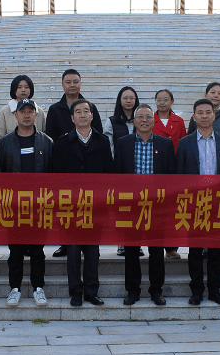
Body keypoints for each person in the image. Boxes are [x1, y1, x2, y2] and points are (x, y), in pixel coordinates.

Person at [52, 99, 113, 306]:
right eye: (78, 111)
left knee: (92, 251)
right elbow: (57, 177)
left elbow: (109, 173)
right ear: (72, 118)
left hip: (95, 206)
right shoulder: (61, 143)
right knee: (73, 251)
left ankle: (91, 291)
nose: (82, 114)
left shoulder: (103, 141)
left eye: (86, 111)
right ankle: (76, 292)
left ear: (92, 115)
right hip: (71, 206)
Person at [114, 104, 175, 306]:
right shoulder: (123, 144)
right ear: (134, 121)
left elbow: (171, 176)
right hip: (131, 205)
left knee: (156, 250)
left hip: (157, 205)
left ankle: (156, 291)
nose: (144, 120)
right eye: (140, 117)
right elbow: (118, 174)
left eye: (148, 116)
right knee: (131, 250)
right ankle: (133, 291)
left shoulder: (165, 145)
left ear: (154, 120)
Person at [175, 99, 220, 306]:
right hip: (194, 203)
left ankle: (215, 290)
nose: (205, 116)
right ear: (194, 117)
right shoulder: (185, 143)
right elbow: (179, 175)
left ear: (214, 115)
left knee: (216, 250)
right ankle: (197, 290)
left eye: (208, 112)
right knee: (195, 250)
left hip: (218, 203)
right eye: (200, 112)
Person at [0, 98, 52, 307]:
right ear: (16, 115)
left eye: (31, 111)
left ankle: (39, 288)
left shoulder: (46, 142)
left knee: (38, 250)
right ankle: (15, 288)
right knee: (16, 251)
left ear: (36, 115)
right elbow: (0, 176)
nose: (27, 115)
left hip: (39, 205)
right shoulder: (4, 143)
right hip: (14, 206)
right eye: (23, 111)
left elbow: (52, 176)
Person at [45, 68, 103, 257]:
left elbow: (99, 134)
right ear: (62, 84)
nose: (72, 85)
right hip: (66, 161)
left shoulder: (90, 106)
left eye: (75, 81)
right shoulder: (55, 109)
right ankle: (65, 244)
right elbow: (51, 137)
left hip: (90, 165)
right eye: (68, 82)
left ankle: (92, 245)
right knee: (67, 210)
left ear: (80, 83)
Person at [104, 86, 140, 257]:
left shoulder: (141, 119)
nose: (128, 101)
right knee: (123, 208)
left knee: (138, 207)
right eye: (125, 97)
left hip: (139, 170)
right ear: (119, 100)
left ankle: (137, 242)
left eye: (131, 98)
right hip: (121, 170)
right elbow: (108, 145)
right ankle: (122, 242)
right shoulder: (112, 121)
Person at [152, 88, 186, 260]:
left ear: (172, 101)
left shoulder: (178, 121)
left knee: (172, 210)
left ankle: (171, 246)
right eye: (159, 99)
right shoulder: (151, 119)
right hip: (156, 170)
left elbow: (183, 144)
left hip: (173, 169)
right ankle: (156, 243)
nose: (162, 102)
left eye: (165, 99)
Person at [0, 74, 46, 149]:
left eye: (27, 87)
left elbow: (44, 136)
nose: (23, 90)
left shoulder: (39, 111)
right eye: (19, 87)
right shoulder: (5, 111)